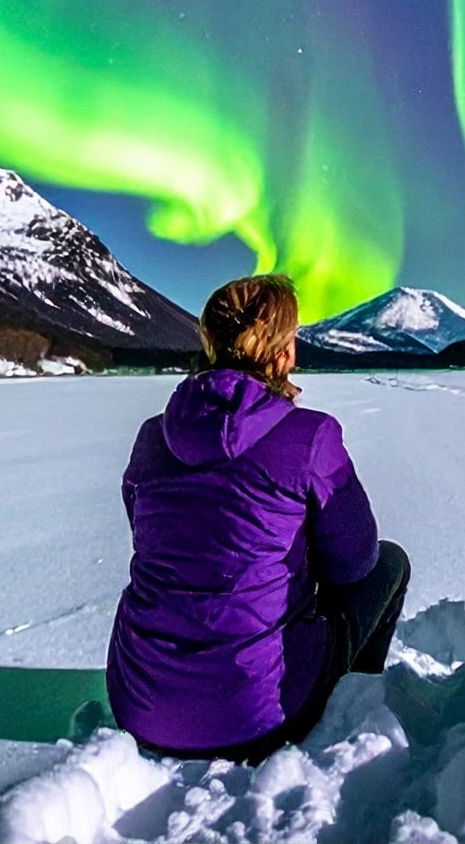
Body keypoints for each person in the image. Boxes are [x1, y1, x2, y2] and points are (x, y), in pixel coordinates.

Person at [107, 273, 411, 759]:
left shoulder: (152, 437)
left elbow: (153, 538)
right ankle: (349, 706)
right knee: (390, 564)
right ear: (281, 352)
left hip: (140, 707)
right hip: (258, 713)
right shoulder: (311, 436)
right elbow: (355, 562)